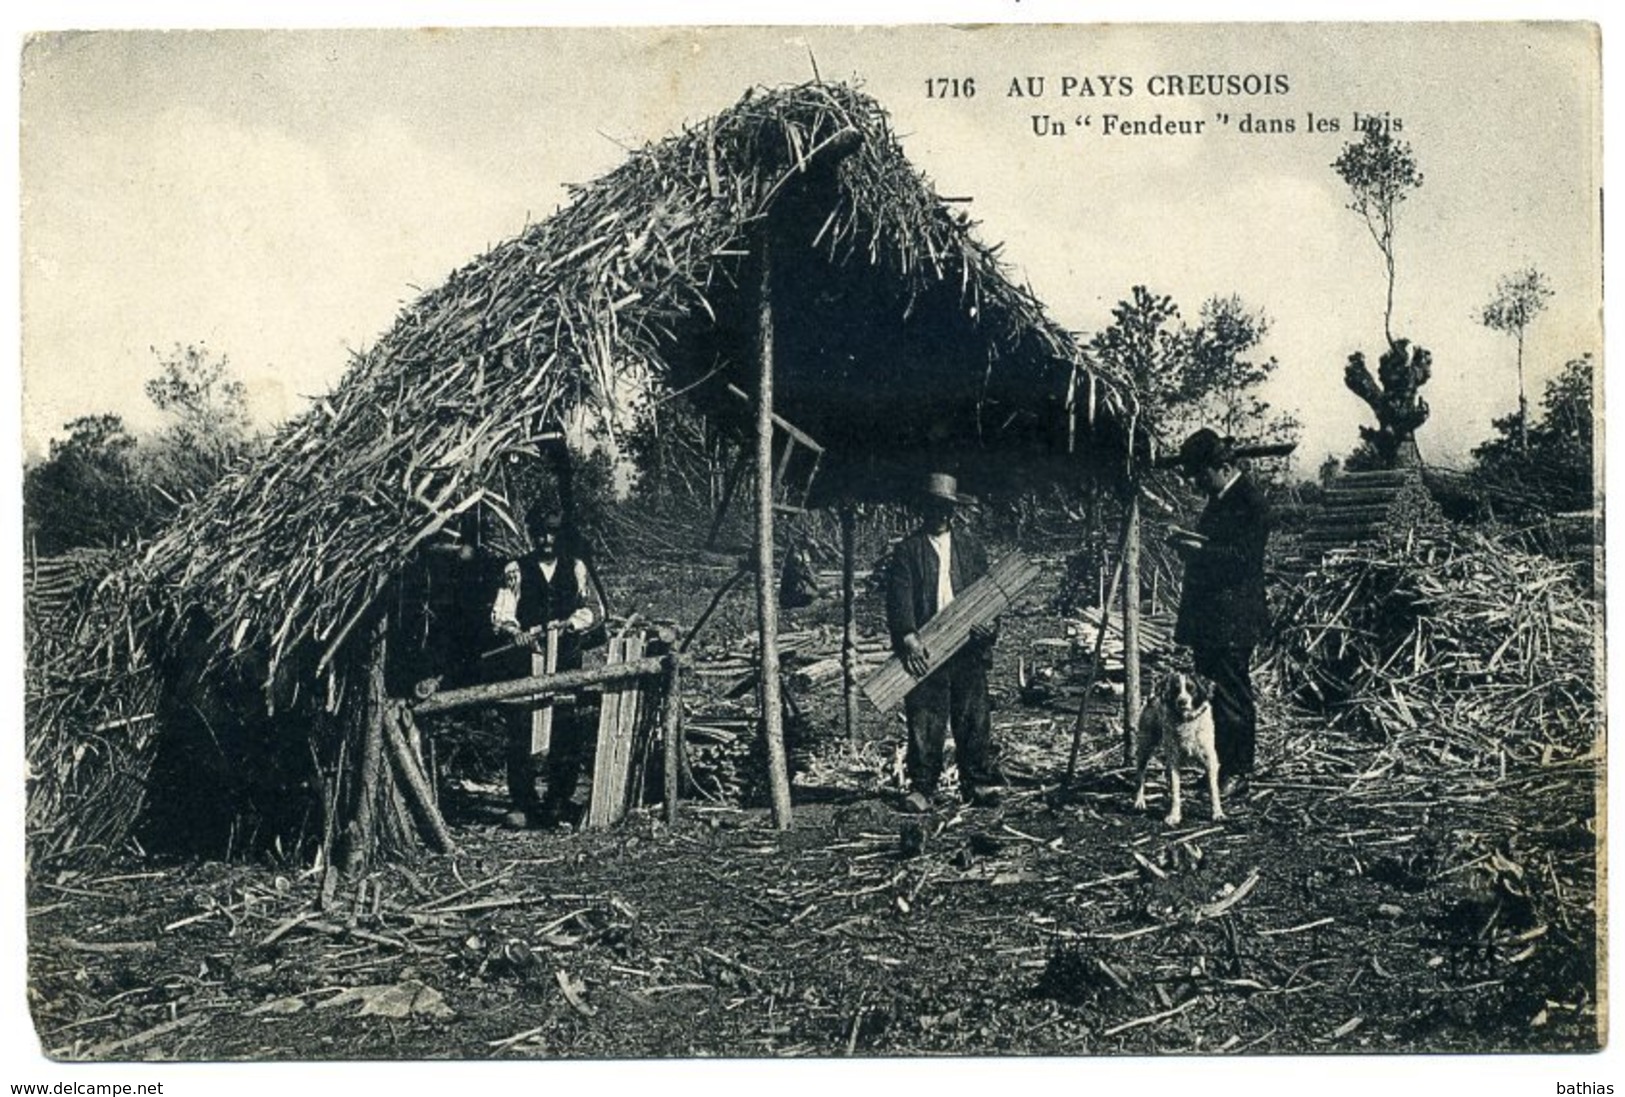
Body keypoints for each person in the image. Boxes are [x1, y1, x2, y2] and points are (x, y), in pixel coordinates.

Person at [885, 472, 1004, 813]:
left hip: (968, 648)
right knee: (925, 719)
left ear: (953, 511)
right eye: (933, 508)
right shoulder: (908, 551)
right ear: (923, 509)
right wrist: (907, 636)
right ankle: (923, 788)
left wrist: (990, 626)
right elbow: (899, 599)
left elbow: (990, 595)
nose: (940, 515)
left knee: (974, 719)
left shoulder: (970, 548)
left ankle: (977, 784)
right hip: (927, 649)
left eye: (945, 509)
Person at [1167, 428, 1272, 797]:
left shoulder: (1250, 502)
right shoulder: (1220, 500)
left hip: (1234, 616)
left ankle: (1239, 772)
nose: (1197, 483)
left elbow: (1243, 561)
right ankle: (1219, 766)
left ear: (1223, 466)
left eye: (1202, 474)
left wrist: (1196, 552)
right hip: (1212, 617)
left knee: (1232, 696)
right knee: (1213, 695)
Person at [490, 506, 601, 829]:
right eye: (539, 533)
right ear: (531, 534)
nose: (546, 539)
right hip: (528, 660)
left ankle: (558, 800)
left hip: (565, 657)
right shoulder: (516, 569)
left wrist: (573, 624)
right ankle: (523, 802)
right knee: (521, 731)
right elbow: (502, 613)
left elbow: (594, 609)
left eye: (552, 532)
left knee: (566, 729)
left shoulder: (576, 567)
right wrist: (516, 632)